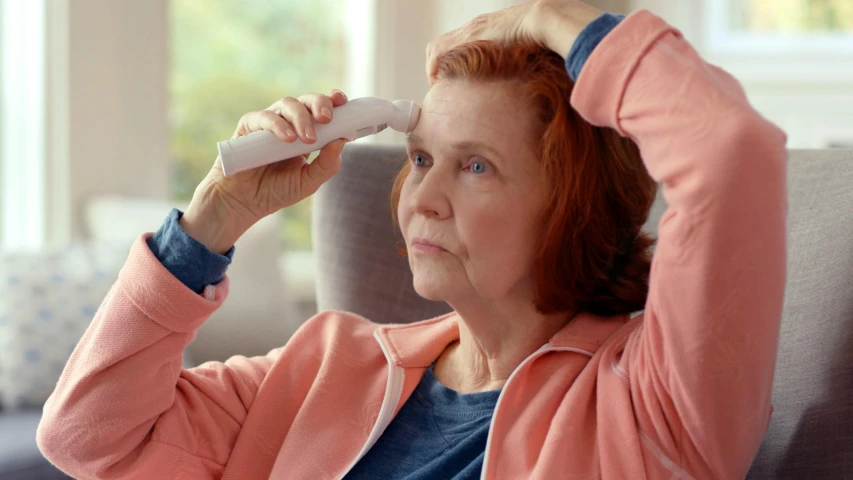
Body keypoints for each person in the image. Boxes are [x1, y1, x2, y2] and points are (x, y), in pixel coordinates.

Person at [37, 0, 788, 478]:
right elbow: (86, 440)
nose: (422, 198)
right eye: (422, 158)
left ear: (572, 206)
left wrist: (551, 18)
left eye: (476, 167)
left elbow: (729, 149)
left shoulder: (650, 401)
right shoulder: (323, 368)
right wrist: (213, 219)